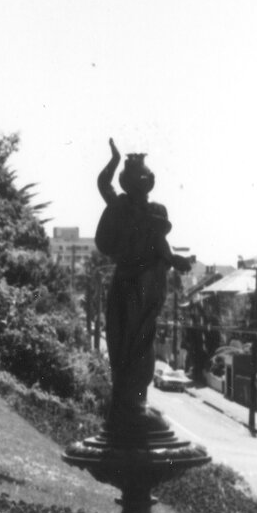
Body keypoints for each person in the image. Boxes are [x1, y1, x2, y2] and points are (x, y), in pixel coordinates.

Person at [95, 139, 191, 429]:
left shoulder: (156, 211)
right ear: (126, 181)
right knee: (126, 342)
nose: (142, 180)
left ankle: (136, 404)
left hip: (150, 284)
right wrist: (113, 161)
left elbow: (160, 242)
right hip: (128, 282)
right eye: (136, 174)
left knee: (142, 342)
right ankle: (127, 408)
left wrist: (175, 260)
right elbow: (103, 184)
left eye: (145, 175)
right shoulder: (121, 206)